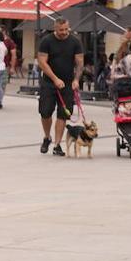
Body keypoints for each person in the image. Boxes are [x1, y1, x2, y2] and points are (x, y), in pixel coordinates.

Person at [37, 18, 84, 157]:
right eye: (60, 30)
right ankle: (47, 137)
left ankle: (57, 145)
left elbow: (80, 63)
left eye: (66, 29)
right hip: (49, 82)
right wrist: (55, 79)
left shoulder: (75, 41)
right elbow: (42, 62)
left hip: (68, 83)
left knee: (63, 114)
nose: (64, 32)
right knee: (45, 112)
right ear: (55, 28)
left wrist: (76, 80)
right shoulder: (46, 41)